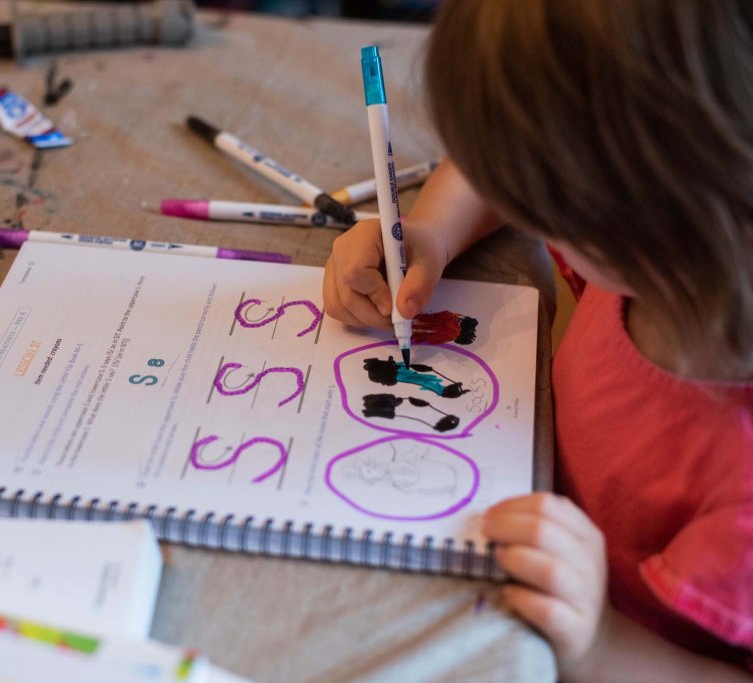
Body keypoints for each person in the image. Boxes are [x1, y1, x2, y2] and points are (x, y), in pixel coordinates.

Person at [323, 1, 753, 679]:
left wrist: (603, 641)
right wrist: (430, 233)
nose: (526, 212)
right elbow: (498, 169)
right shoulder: (665, 258)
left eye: (547, 204)